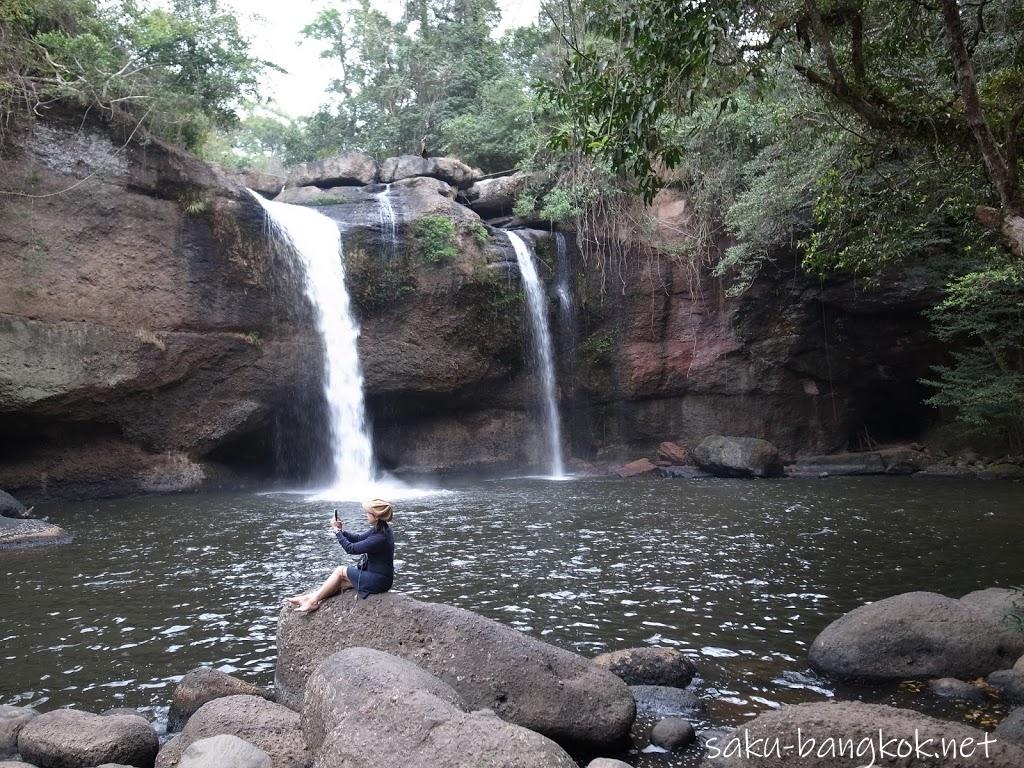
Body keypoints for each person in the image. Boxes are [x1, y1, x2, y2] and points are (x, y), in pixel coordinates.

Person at [286, 498, 395, 612]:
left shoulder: (380, 538)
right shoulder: (380, 530)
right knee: (340, 581)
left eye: (368, 513)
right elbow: (357, 538)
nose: (365, 515)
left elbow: (350, 548)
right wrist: (340, 530)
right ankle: (310, 598)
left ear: (376, 516)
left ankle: (312, 602)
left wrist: (337, 532)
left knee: (340, 571)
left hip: (379, 580)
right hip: (378, 576)